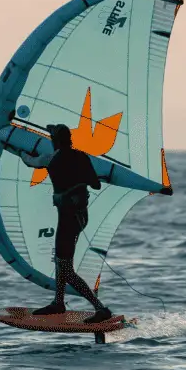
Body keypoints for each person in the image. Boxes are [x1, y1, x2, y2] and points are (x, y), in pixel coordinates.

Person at [24, 124, 113, 322]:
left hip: (68, 220)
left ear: (55, 140)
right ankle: (58, 302)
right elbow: (96, 184)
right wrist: (79, 177)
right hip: (81, 218)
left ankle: (100, 308)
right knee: (61, 261)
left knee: (65, 268)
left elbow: (30, 161)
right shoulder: (82, 157)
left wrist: (20, 152)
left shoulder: (51, 159)